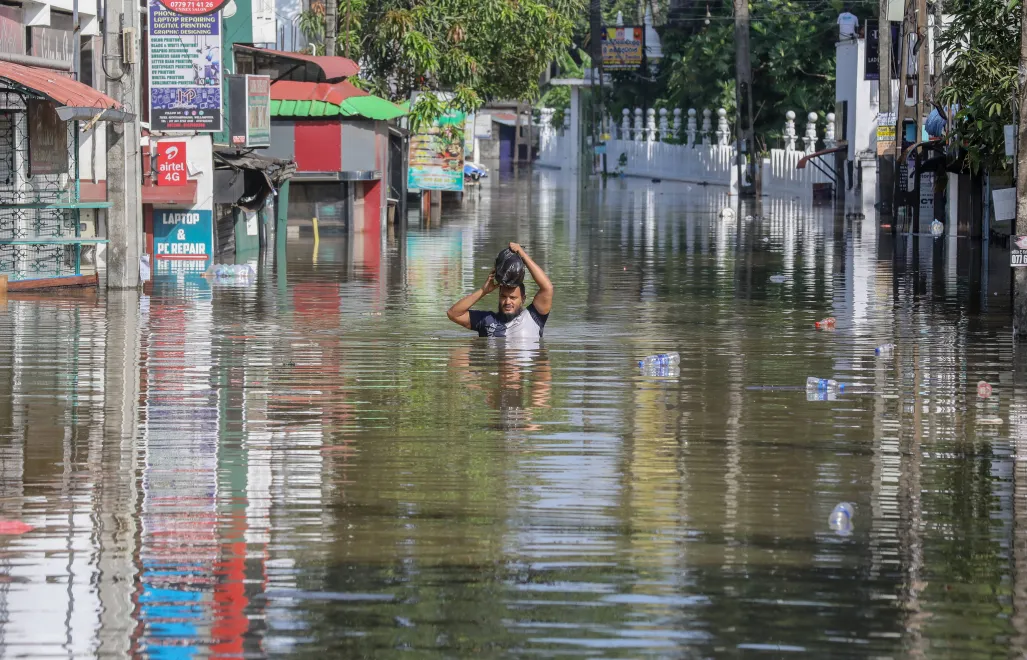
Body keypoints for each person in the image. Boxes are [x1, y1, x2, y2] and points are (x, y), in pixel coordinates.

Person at [446, 242, 553, 338]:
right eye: (503, 296)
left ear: (523, 299)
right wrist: (483, 291)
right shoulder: (487, 320)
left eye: (513, 298)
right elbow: (453, 314)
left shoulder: (534, 318)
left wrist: (523, 254)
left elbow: (547, 288)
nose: (507, 302)